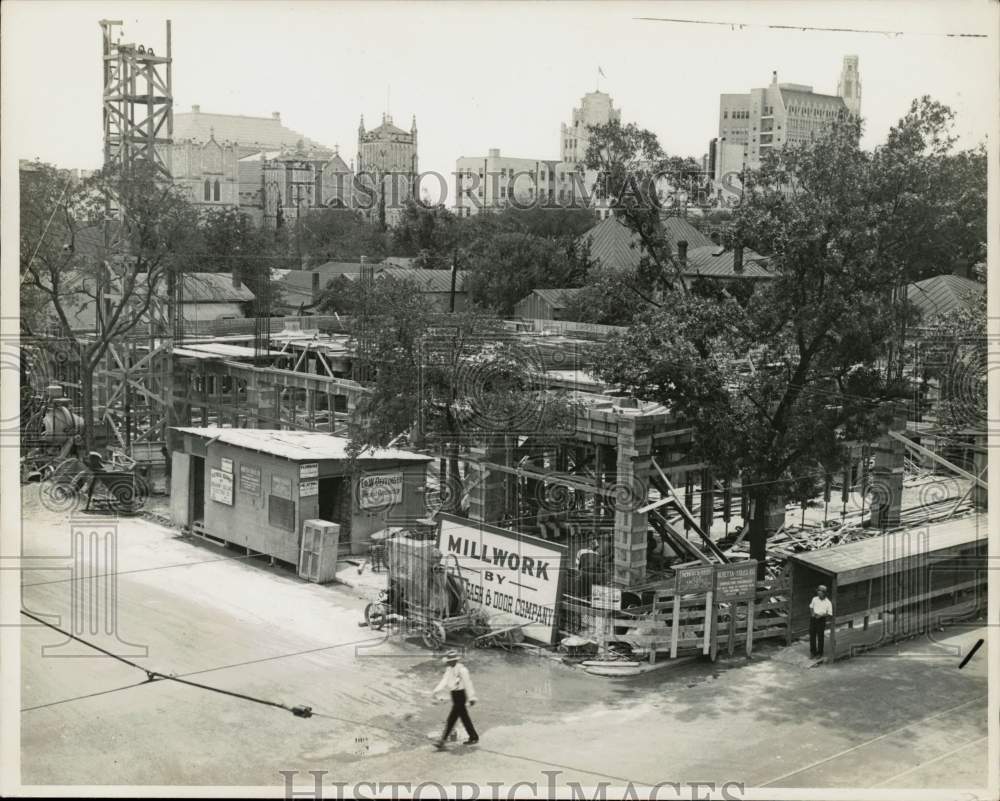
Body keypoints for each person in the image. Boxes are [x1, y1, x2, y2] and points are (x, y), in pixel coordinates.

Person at [432, 650, 479, 749]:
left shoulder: (462, 670)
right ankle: (473, 737)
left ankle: (442, 741)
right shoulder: (449, 670)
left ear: (455, 661)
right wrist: (436, 690)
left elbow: (468, 683)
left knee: (451, 719)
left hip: (460, 696)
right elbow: (444, 681)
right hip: (454, 695)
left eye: (451, 661)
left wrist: (472, 697)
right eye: (448, 661)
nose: (449, 663)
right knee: (464, 718)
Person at [809, 584, 833, 659]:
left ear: (824, 593)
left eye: (820, 591)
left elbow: (829, 613)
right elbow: (811, 607)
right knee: (812, 636)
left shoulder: (828, 602)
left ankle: (820, 653)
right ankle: (813, 652)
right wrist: (812, 613)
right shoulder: (814, 599)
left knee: (820, 636)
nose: (818, 592)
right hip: (813, 618)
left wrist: (821, 616)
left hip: (821, 620)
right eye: (818, 591)